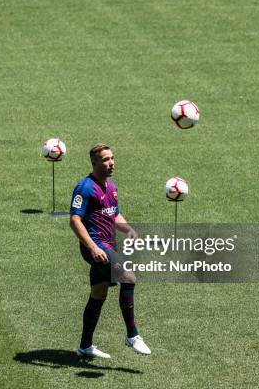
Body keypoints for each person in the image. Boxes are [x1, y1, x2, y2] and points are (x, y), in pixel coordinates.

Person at [70, 143, 151, 358]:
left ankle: (85, 346)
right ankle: (132, 335)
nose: (111, 162)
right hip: (97, 247)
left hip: (108, 245)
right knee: (129, 278)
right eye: (106, 159)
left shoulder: (111, 187)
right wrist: (93, 246)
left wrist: (129, 230)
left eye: (112, 158)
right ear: (94, 162)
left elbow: (114, 215)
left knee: (98, 294)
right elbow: (74, 220)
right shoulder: (85, 188)